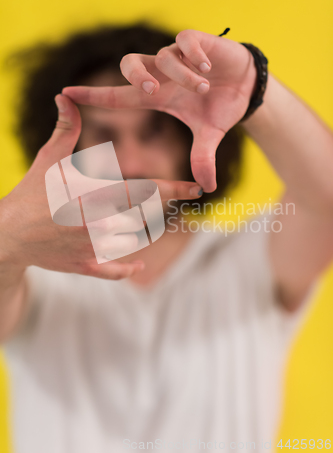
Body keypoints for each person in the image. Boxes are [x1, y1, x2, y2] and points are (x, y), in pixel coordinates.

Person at [0, 23, 332, 453]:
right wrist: (8, 239)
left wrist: (254, 91)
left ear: (187, 137)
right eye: (105, 136)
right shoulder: (30, 273)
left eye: (153, 131)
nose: (131, 161)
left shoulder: (248, 259)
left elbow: (326, 202)